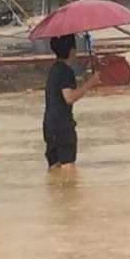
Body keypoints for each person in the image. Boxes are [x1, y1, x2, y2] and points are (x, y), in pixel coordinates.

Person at [43, 34, 101, 172]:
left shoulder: (54, 69)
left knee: (55, 170)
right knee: (68, 170)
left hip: (49, 125)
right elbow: (69, 97)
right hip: (63, 126)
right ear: (72, 50)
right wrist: (90, 83)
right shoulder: (66, 71)